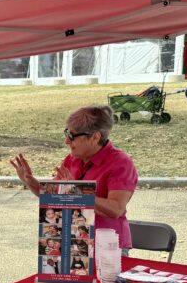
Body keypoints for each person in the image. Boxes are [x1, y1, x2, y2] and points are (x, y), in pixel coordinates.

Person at [10, 105, 138, 250]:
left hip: (107, 247)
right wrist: (30, 181)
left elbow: (116, 209)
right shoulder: (73, 159)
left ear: (95, 137)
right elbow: (53, 195)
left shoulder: (120, 163)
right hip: (73, 242)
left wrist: (77, 191)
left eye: (72, 136)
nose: (66, 141)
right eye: (66, 134)